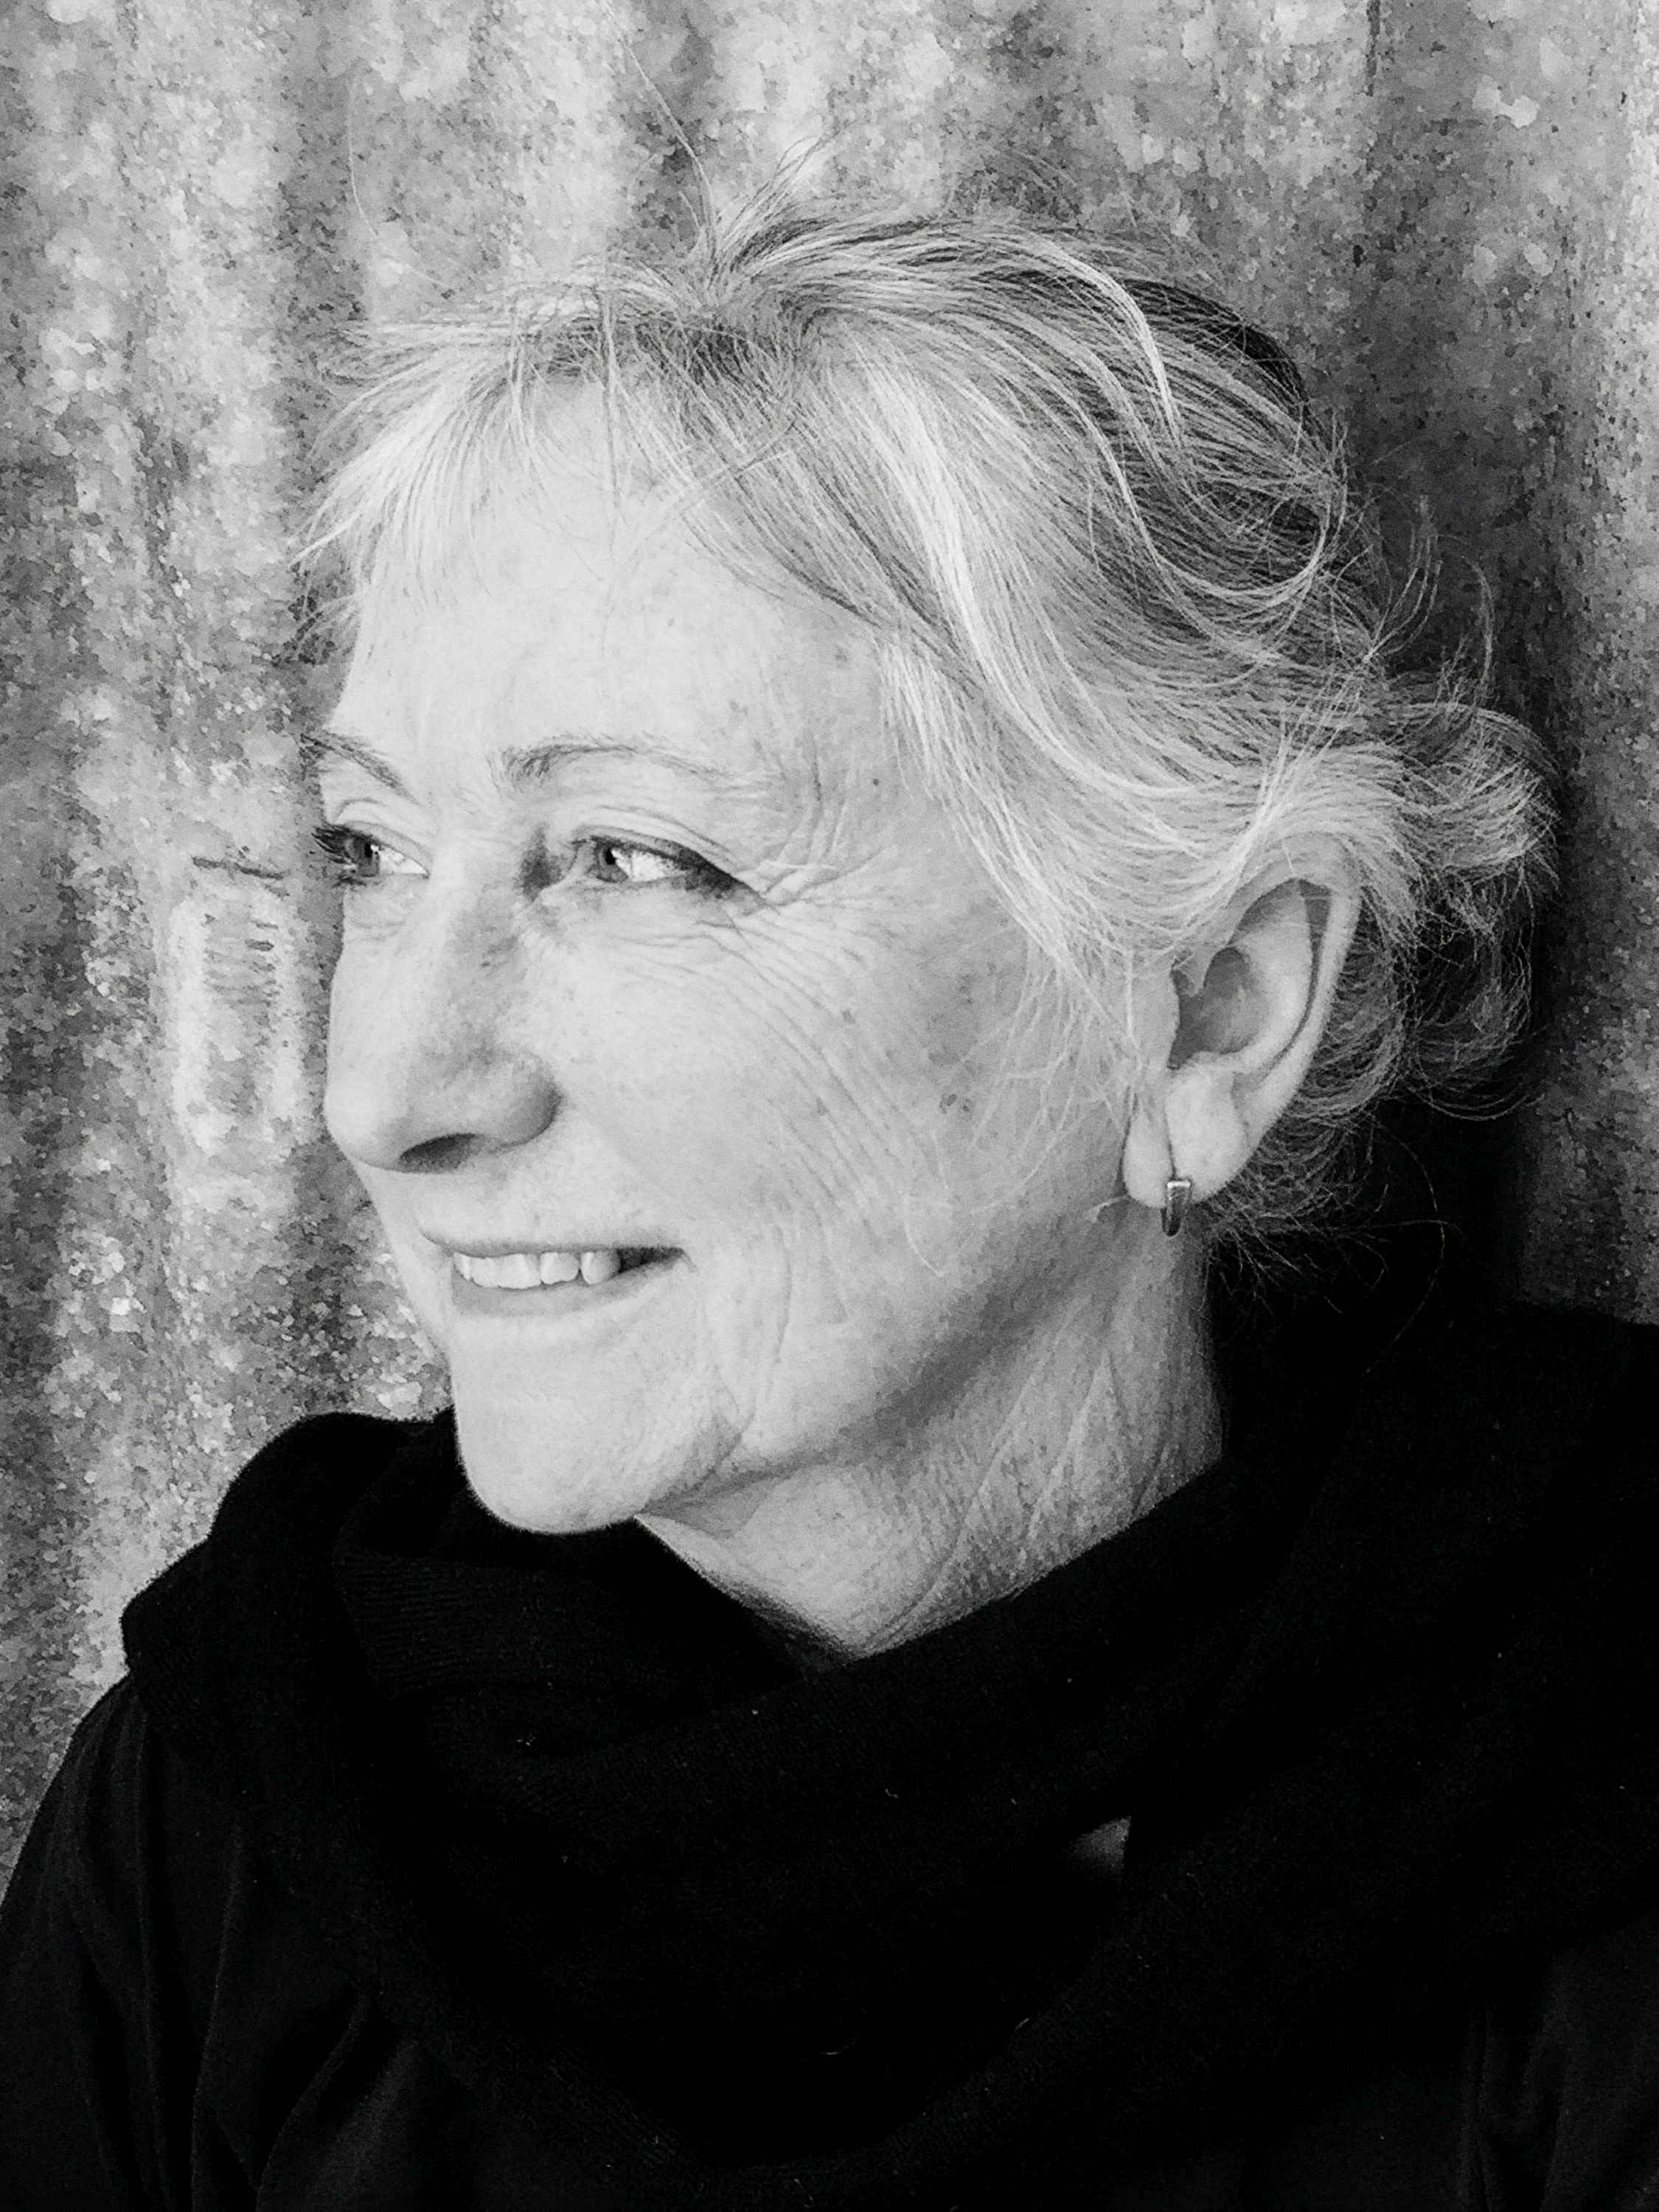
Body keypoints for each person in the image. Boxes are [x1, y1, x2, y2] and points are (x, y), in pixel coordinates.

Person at [2, 194, 1655, 2212]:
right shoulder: (244, 1815)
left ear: (1213, 1010)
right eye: (370, 846)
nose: (383, 1094)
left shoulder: (1591, 1833)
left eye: (636, 859)